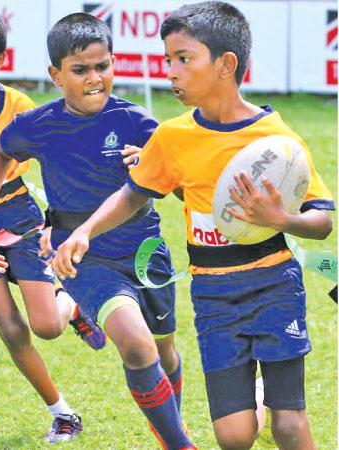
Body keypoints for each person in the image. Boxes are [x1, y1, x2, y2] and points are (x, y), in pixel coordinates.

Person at [55, 3, 333, 449]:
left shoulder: (277, 140)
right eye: (168, 60)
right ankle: (258, 398)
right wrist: (85, 230)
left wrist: (282, 219)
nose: (171, 71)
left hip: (274, 284)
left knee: (289, 425)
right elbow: (133, 193)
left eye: (184, 59)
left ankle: (278, 403)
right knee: (234, 436)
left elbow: (323, 222)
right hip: (214, 295)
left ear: (226, 64)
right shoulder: (172, 137)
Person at [0, 13, 194, 449]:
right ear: (56, 75)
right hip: (84, 257)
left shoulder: (136, 121)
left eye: (103, 66)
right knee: (135, 346)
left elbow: (183, 186)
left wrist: (152, 167)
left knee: (164, 351)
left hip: (145, 252)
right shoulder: (39, 124)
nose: (94, 78)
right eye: (80, 70)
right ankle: (180, 445)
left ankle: (174, 428)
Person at [0, 4, 106, 443]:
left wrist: (59, 222)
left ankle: (72, 307)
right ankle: (64, 414)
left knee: (46, 326)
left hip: (17, 213)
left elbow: (57, 159)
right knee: (11, 328)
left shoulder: (20, 107)